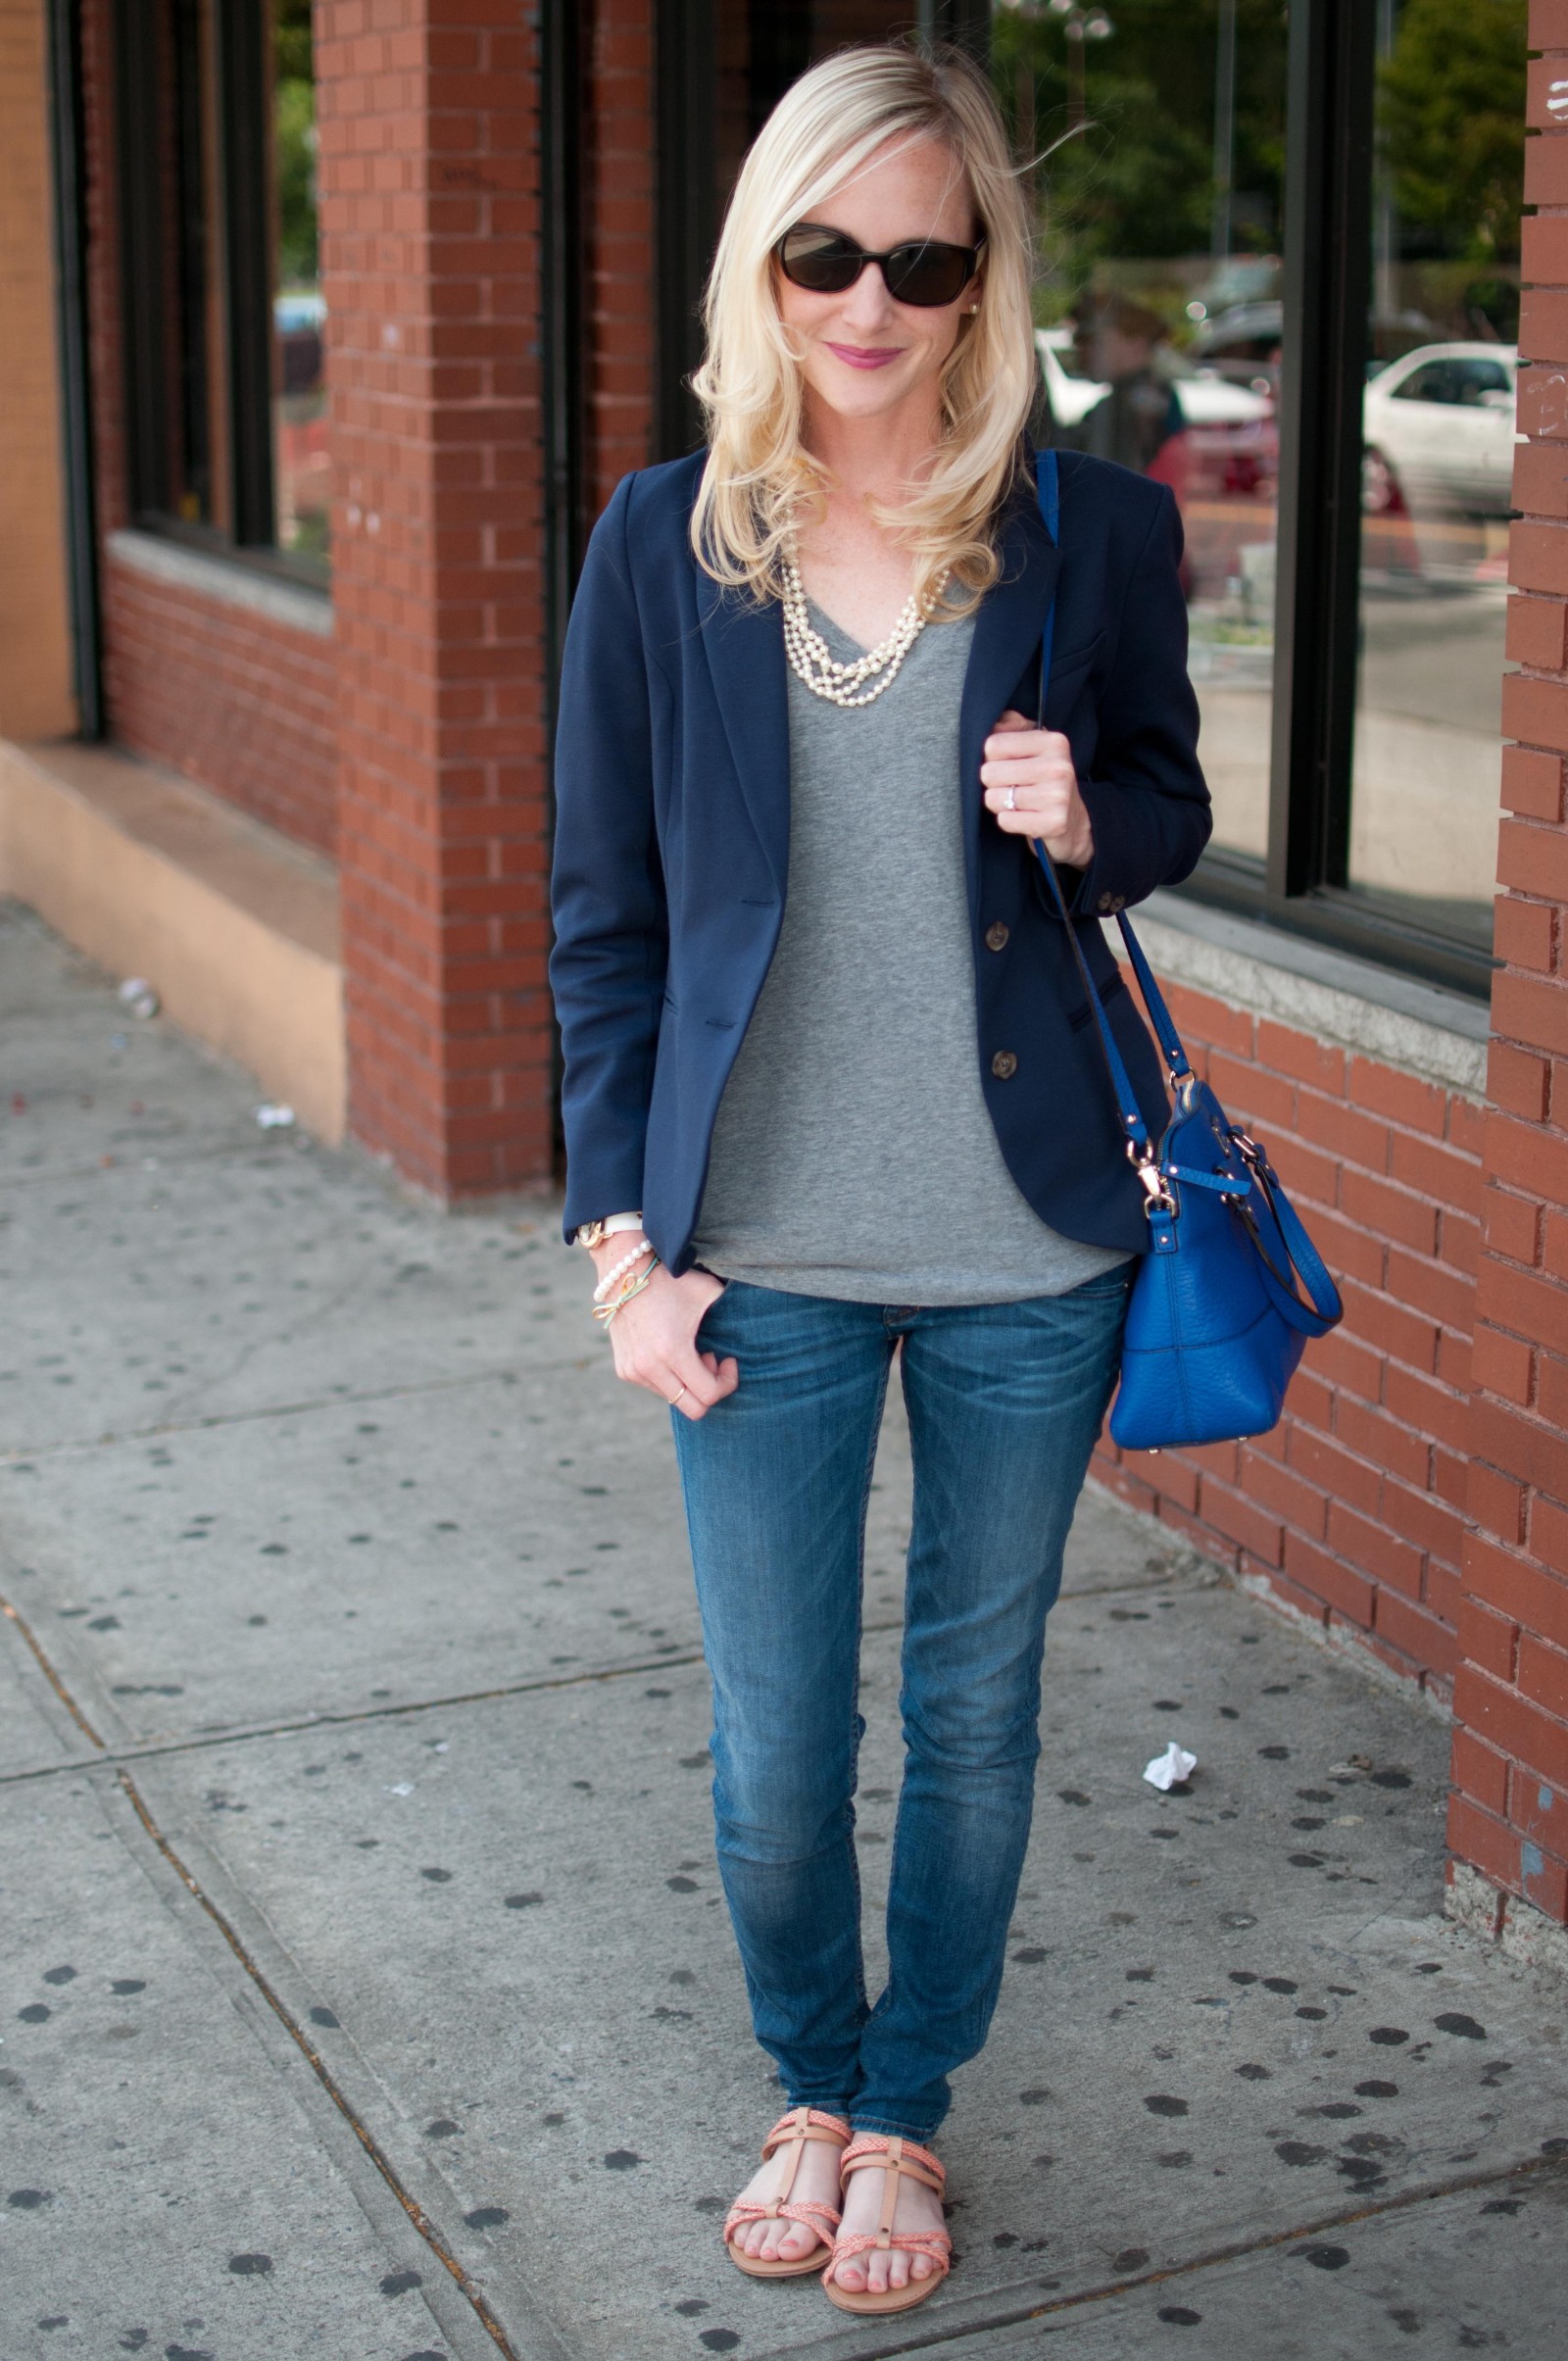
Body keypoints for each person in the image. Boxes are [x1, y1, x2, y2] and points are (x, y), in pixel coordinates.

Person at [550, 42, 1209, 2322]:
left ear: (974, 278)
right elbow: (601, 919)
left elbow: (1165, 806)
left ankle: (905, 2097)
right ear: (765, 258)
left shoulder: (1089, 527)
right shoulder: (664, 539)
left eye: (919, 258)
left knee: (973, 1703)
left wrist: (1080, 817)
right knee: (770, 1732)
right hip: (754, 1250)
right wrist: (621, 1245)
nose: (868, 298)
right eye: (824, 249)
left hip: (1028, 1236)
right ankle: (802, 2080)